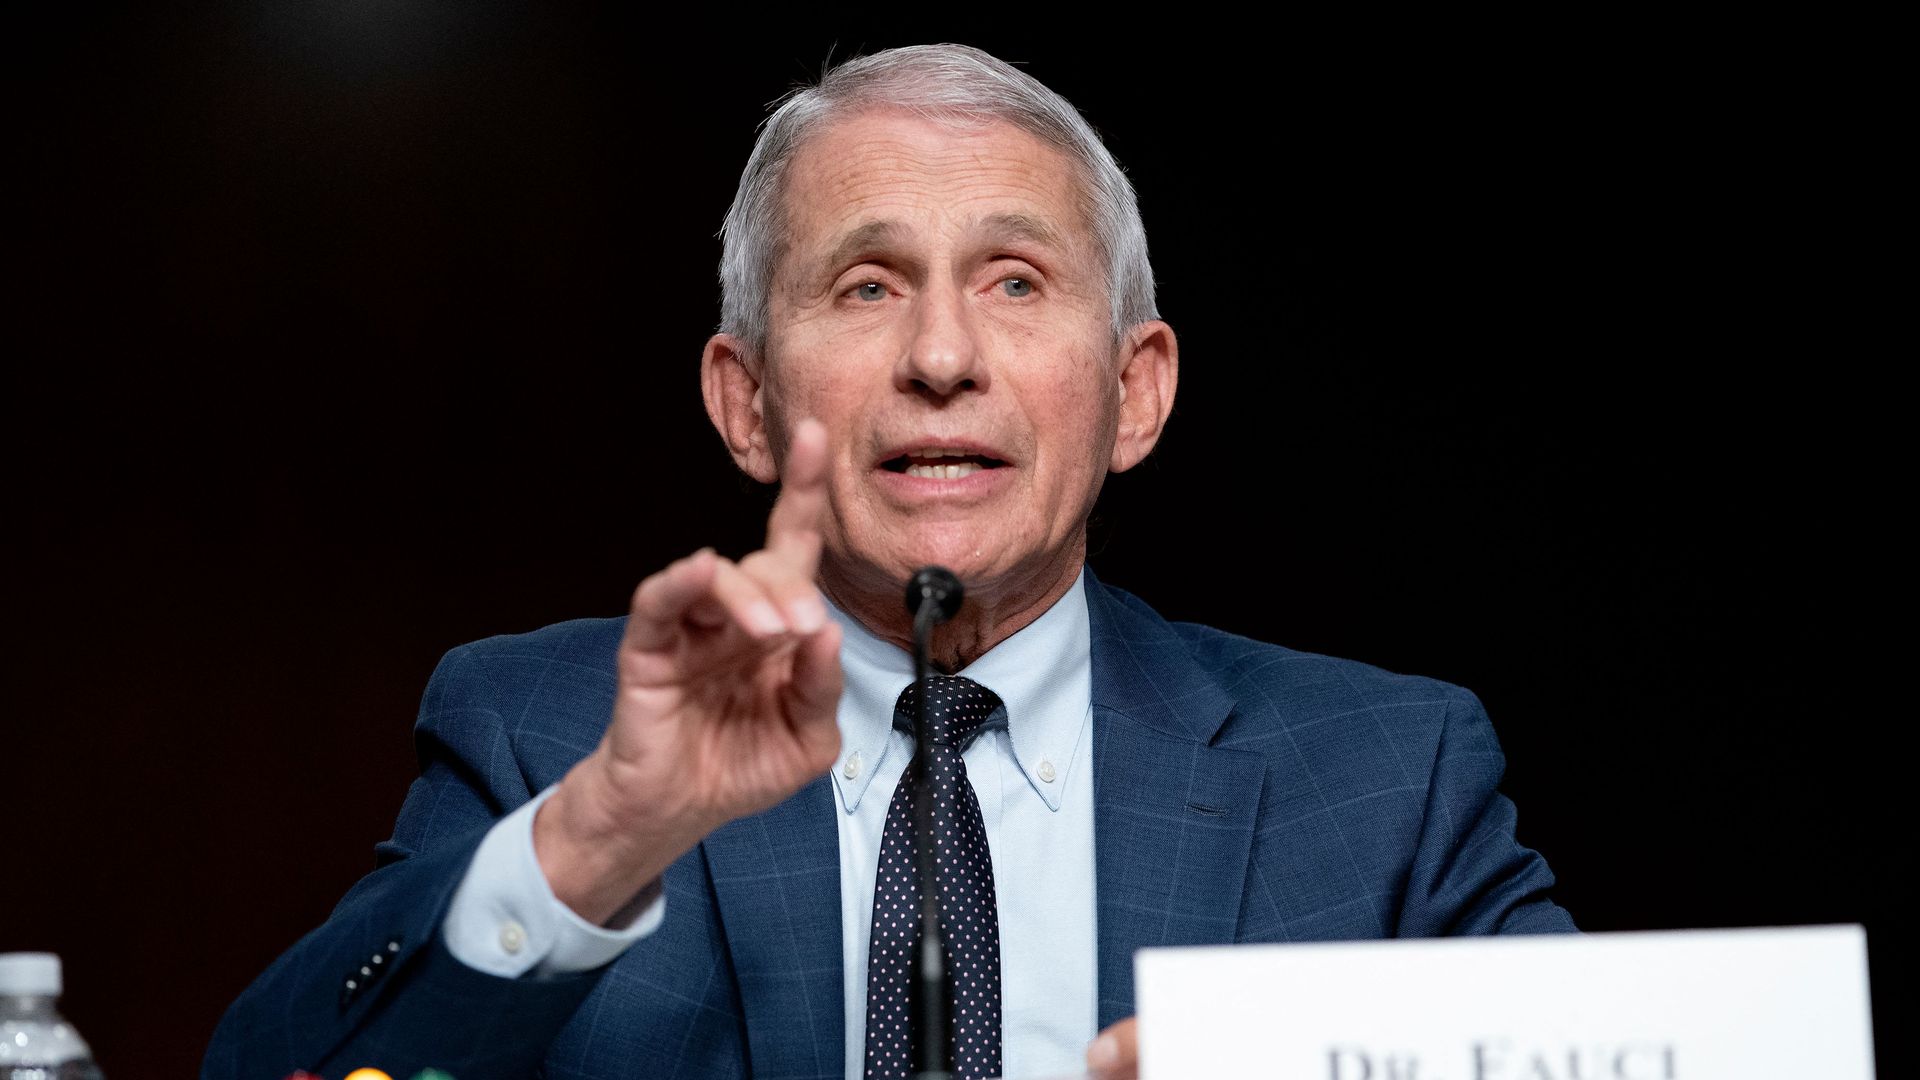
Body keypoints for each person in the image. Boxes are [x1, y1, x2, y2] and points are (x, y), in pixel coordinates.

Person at [203, 42, 1574, 1080]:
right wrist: (604, 832)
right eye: (867, 286)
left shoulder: (1388, 781)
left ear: (1135, 392)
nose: (940, 355)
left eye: (1015, 280)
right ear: (747, 402)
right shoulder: (544, 740)